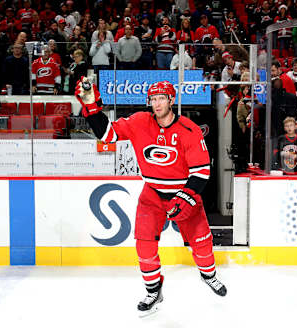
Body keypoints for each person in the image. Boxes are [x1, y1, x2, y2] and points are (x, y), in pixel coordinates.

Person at [75, 79, 227, 315]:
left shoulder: (189, 130)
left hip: (184, 192)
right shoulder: (139, 122)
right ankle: (153, 291)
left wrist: (185, 196)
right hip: (152, 194)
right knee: (144, 245)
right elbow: (108, 135)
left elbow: (202, 171)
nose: (157, 104)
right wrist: (92, 108)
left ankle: (209, 275)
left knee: (201, 243)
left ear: (171, 100)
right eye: (153, 99)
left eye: (161, 98)